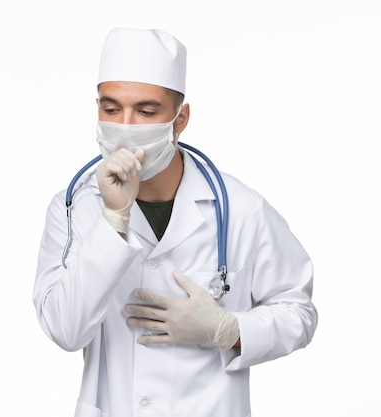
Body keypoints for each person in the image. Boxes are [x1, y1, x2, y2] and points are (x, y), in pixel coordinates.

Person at [32, 27, 318, 417]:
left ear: (179, 119)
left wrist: (229, 330)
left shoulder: (239, 208)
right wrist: (113, 220)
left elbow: (299, 312)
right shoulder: (76, 207)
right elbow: (66, 331)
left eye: (147, 111)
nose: (126, 127)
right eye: (111, 109)